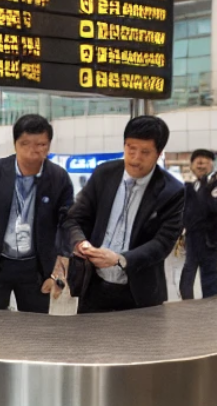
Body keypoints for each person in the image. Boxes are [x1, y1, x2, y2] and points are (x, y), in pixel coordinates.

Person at [65, 115, 185, 312]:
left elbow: (162, 243)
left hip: (139, 293)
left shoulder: (172, 191)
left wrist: (119, 259)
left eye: (145, 152)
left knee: (137, 334)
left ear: (159, 153)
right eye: (131, 148)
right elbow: (74, 219)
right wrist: (81, 243)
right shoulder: (104, 175)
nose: (135, 158)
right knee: (88, 333)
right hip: (94, 286)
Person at [0, 113, 74, 313]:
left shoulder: (59, 178)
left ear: (49, 145)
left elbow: (67, 225)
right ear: (15, 144)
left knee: (34, 327)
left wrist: (58, 271)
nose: (32, 151)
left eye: (40, 145)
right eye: (25, 144)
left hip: (37, 268)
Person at [177, 149, 217, 299]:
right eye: (197, 162)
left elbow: (213, 208)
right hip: (192, 237)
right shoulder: (193, 185)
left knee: (209, 276)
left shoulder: (216, 183)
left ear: (211, 165)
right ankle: (188, 305)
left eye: (205, 162)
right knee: (188, 273)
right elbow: (187, 210)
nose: (200, 165)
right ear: (192, 166)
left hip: (208, 239)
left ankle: (211, 308)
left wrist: (203, 185)